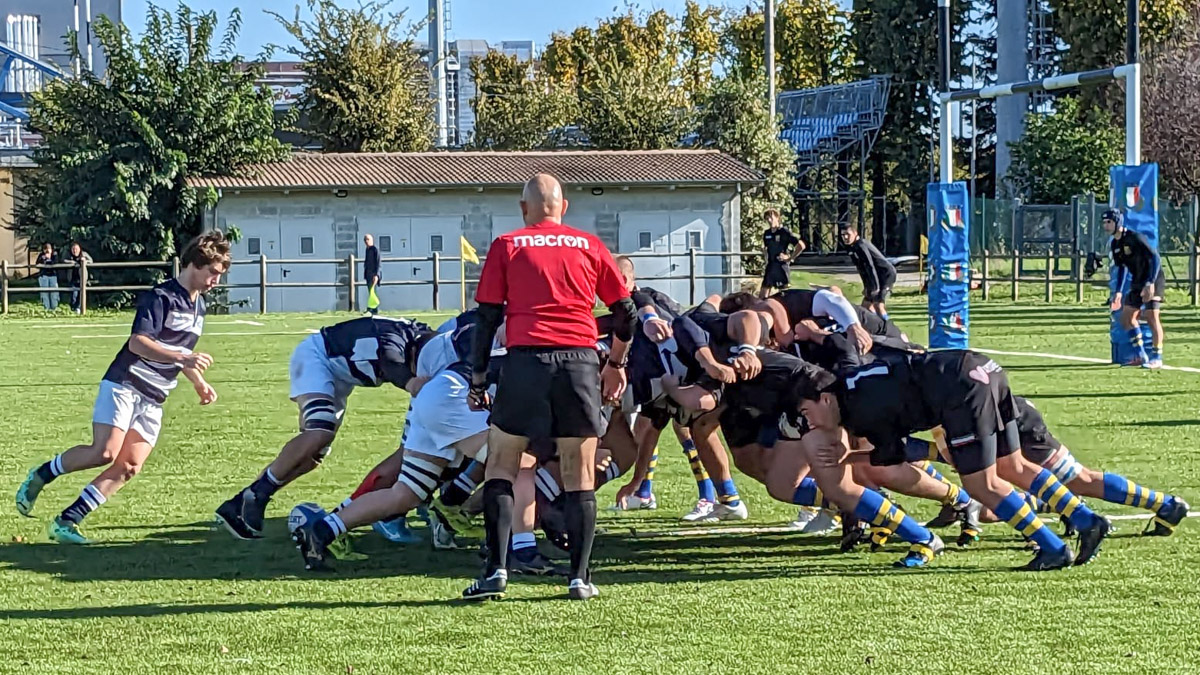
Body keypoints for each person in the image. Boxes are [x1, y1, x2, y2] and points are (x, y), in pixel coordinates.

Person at [462, 173, 635, 602]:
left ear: (524, 209)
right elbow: (626, 311)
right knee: (579, 473)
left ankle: (497, 571)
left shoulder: (508, 245)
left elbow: (485, 317)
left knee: (502, 464)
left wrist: (479, 376)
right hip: (578, 363)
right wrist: (615, 363)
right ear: (564, 207)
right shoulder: (590, 246)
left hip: (525, 362)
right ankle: (580, 578)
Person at [792, 350, 1110, 571]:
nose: (813, 424)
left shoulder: (859, 410)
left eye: (807, 414)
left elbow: (894, 455)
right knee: (1013, 467)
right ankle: (1084, 519)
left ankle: (1054, 548)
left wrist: (849, 457)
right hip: (983, 368)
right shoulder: (849, 382)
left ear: (825, 399)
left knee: (982, 486)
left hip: (961, 390)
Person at [15, 232, 230, 543]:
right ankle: (42, 475)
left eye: (219, 274)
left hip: (154, 397)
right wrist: (184, 360)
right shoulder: (161, 297)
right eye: (212, 272)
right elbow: (139, 343)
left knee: (129, 465)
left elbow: (182, 354)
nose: (215, 280)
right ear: (194, 264)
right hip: (126, 383)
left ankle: (66, 521)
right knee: (104, 452)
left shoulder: (200, 307)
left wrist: (199, 382)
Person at [214, 315, 433, 540]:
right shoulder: (395, 337)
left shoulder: (418, 338)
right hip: (318, 357)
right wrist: (410, 382)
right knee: (319, 431)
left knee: (314, 456)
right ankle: (254, 495)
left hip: (340, 374)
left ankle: (247, 500)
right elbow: (389, 360)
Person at [1104, 209, 1164, 368]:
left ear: (1118, 222)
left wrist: (1150, 282)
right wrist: (1118, 292)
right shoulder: (1115, 244)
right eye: (1104, 222)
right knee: (1126, 318)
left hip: (1153, 279)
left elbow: (1155, 257)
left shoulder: (1135, 237)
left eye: (1109, 222)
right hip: (1138, 281)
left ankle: (1157, 357)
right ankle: (1141, 356)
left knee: (1152, 317)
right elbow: (1122, 268)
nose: (1106, 225)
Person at [840, 225, 896, 320]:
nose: (845, 237)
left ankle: (889, 329)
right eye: (843, 235)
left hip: (886, 275)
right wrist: (867, 286)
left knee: (878, 304)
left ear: (855, 233)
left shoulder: (861, 245)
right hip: (876, 277)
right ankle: (872, 328)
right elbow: (862, 269)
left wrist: (874, 286)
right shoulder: (853, 247)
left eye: (848, 234)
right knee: (865, 306)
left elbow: (870, 265)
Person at [759, 209, 805, 298]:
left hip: (781, 266)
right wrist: (765, 256)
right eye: (767, 219)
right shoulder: (767, 233)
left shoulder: (784, 232)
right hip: (770, 267)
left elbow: (801, 245)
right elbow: (766, 249)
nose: (769, 220)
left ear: (777, 217)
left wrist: (790, 258)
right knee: (762, 297)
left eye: (771, 218)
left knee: (784, 296)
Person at [65, 242, 93, 314]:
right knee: (74, 294)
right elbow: (64, 260)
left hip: (82, 278)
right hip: (72, 278)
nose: (75, 251)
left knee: (81, 294)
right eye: (73, 249)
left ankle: (79, 308)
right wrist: (72, 263)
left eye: (76, 249)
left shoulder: (84, 254)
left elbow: (91, 261)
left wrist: (84, 261)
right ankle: (73, 308)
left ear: (79, 249)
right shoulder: (69, 255)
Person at [35, 243, 60, 311]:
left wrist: (49, 259)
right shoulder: (41, 255)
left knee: (54, 292)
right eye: (45, 249)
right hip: (44, 276)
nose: (47, 251)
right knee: (44, 293)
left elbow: (56, 263)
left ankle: (54, 308)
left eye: (49, 249)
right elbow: (37, 264)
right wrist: (44, 259)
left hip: (53, 276)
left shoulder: (54, 255)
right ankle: (46, 308)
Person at [363, 234, 381, 315]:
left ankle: (374, 308)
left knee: (373, 291)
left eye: (368, 239)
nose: (366, 241)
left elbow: (378, 263)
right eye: (365, 240)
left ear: (371, 240)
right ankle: (372, 308)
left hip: (373, 274)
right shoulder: (367, 250)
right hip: (368, 274)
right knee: (370, 291)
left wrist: (376, 275)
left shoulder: (375, 249)